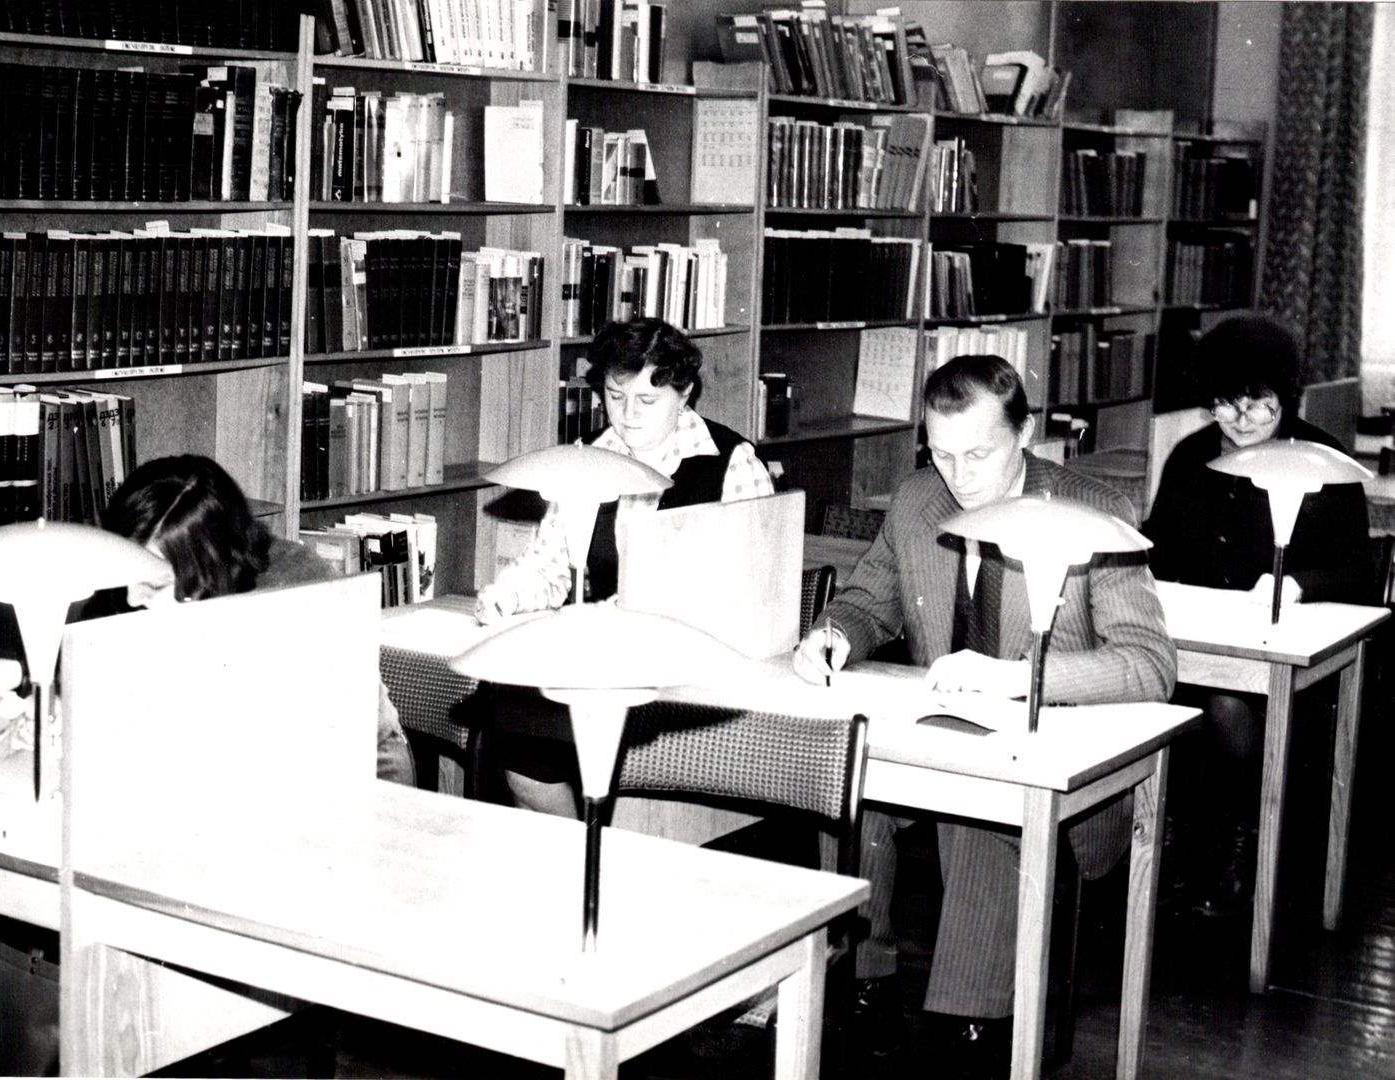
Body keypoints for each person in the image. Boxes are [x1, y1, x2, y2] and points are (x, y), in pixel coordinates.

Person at [793, 355, 1176, 1075]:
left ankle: (968, 1026)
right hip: (947, 738)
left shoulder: (1092, 511)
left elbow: (1151, 665)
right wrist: (834, 634)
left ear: (1025, 433)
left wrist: (1016, 680)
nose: (959, 476)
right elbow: (869, 598)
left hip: (1058, 771)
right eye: (941, 454)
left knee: (984, 807)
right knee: (844, 780)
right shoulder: (919, 499)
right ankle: (865, 982)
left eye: (978, 454)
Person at [476, 317, 775, 815]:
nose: (629, 416)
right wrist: (511, 593)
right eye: (616, 397)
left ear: (684, 394)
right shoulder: (591, 455)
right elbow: (551, 564)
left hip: (688, 665)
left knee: (543, 744)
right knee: (518, 744)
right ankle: (581, 852)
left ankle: (587, 852)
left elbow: (752, 590)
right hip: (602, 659)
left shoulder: (732, 462)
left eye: (647, 400)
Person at [1142, 314, 1369, 916]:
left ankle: (1234, 845)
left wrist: (1295, 584)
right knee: (1156, 694)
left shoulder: (1322, 459)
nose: (1242, 419)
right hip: (1197, 645)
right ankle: (1165, 843)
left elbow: (1358, 572)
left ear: (1284, 397)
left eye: (1258, 403)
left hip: (1288, 665)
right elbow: (1159, 548)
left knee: (1226, 708)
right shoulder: (1191, 456)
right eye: (1226, 404)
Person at [97, 454, 416, 787]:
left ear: (206, 572)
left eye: (152, 585)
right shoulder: (158, 580)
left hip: (356, 760)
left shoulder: (295, 597)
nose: (131, 598)